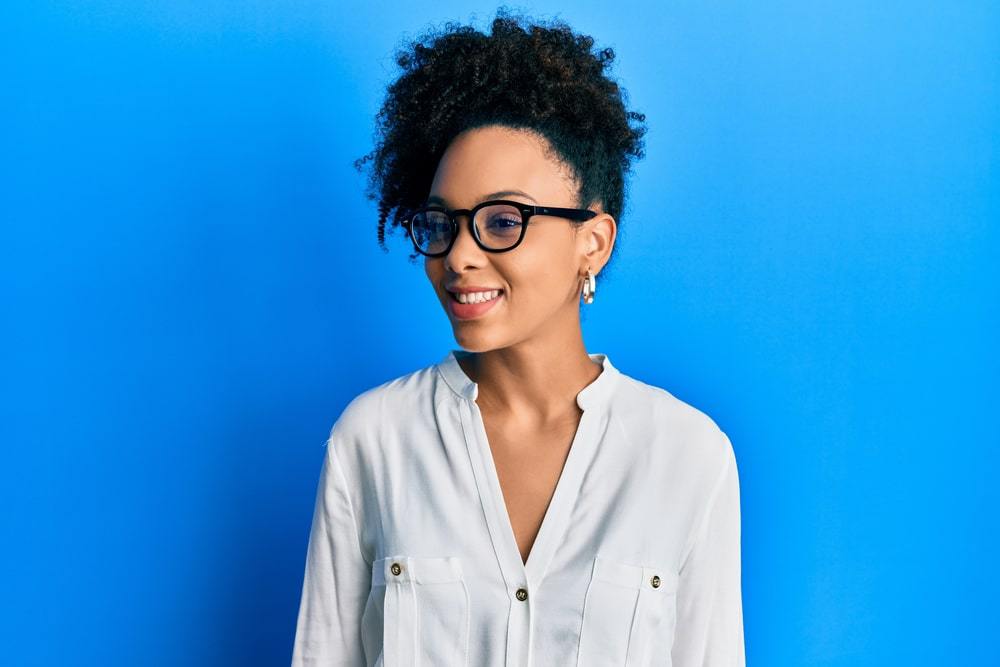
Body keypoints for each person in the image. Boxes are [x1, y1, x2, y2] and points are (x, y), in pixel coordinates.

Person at [292, 8, 745, 666]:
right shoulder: (373, 441)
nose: (459, 256)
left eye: (502, 221)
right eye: (441, 223)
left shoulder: (688, 457)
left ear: (593, 241)